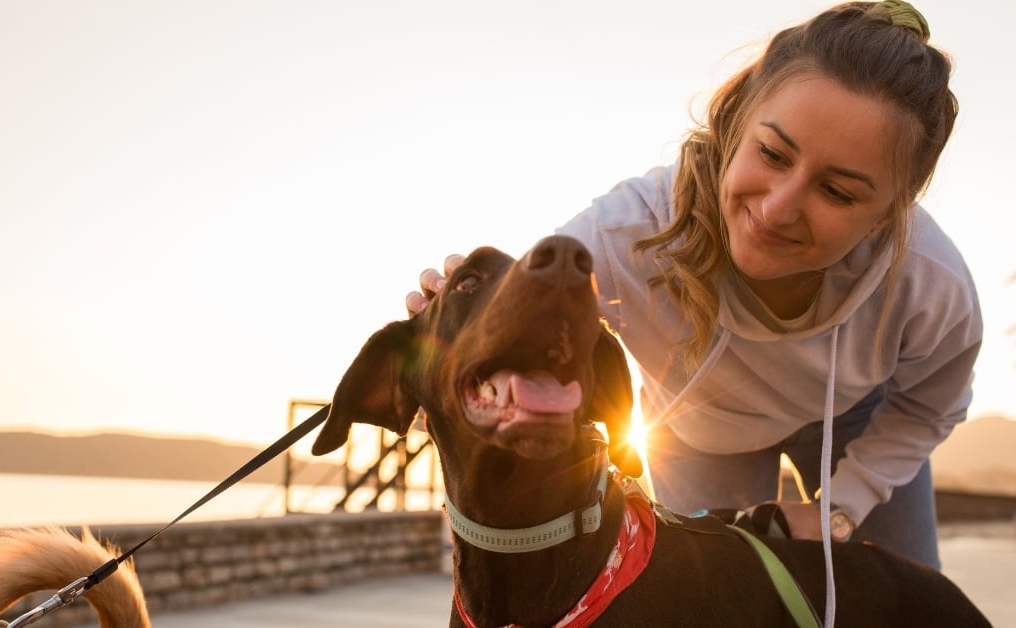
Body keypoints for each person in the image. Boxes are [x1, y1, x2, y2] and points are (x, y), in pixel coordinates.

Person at [409, 0, 979, 570]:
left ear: (888, 215)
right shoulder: (625, 233)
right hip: (699, 433)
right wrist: (450, 338)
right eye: (773, 153)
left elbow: (929, 408)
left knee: (911, 601)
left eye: (838, 192)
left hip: (854, 420)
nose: (778, 210)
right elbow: (517, 330)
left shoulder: (931, 287)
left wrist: (840, 508)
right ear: (736, 123)